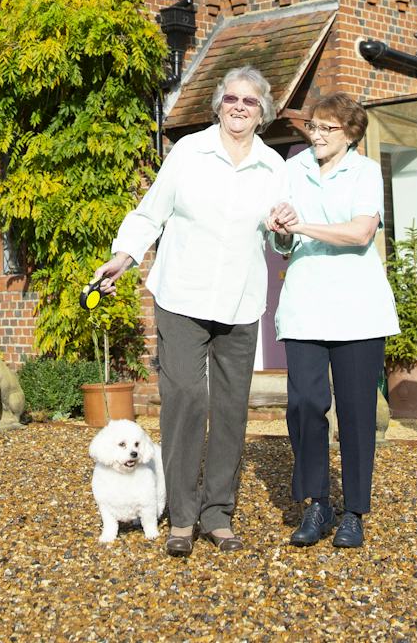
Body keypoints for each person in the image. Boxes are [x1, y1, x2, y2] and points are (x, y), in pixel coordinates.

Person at [91, 65, 287, 556]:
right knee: (183, 402)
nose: (239, 107)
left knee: (229, 410)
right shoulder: (188, 153)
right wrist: (124, 257)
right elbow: (151, 212)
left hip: (240, 303)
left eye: (249, 102)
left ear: (262, 112)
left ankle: (217, 513)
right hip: (181, 297)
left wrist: (285, 231)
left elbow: (281, 240)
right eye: (231, 99)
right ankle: (180, 517)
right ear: (218, 104)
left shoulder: (273, 167)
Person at [266, 92, 397, 549]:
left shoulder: (365, 172)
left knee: (358, 413)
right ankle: (317, 503)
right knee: (304, 405)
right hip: (304, 305)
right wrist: (281, 232)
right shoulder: (292, 169)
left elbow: (360, 233)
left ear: (351, 133)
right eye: (313, 128)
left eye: (327, 129)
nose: (316, 136)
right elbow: (281, 245)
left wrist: (300, 226)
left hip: (358, 310)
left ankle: (354, 512)